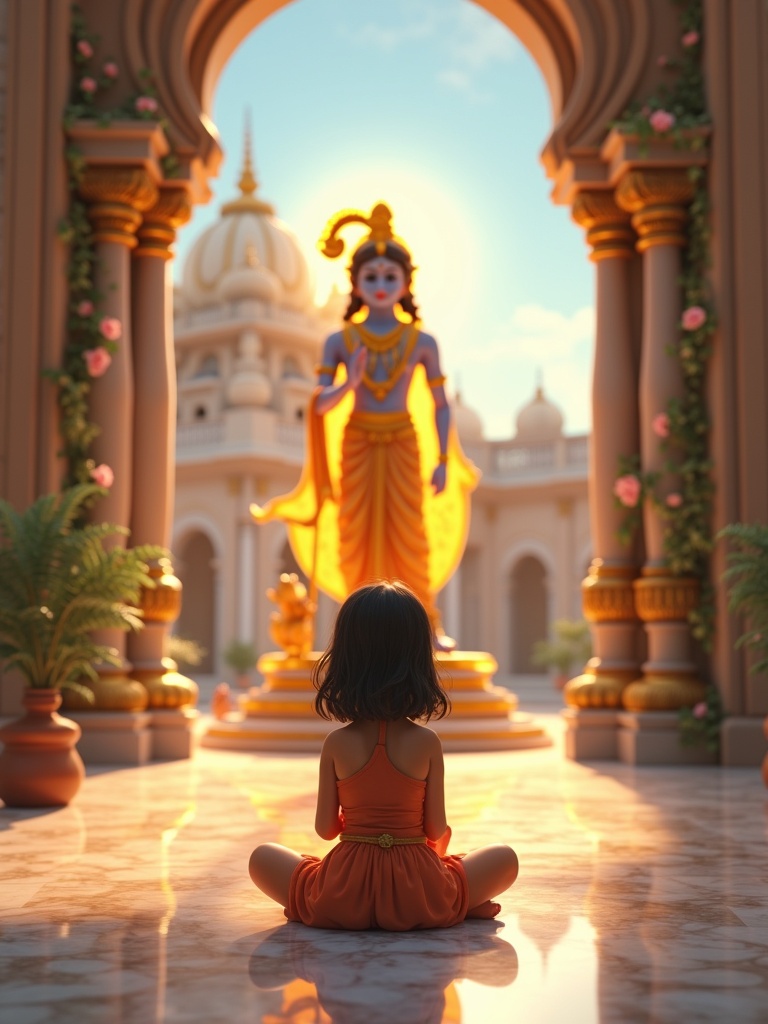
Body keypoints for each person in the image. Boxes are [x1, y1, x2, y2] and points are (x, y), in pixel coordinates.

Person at [251, 203, 478, 650]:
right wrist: (349, 383)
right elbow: (319, 404)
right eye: (370, 277)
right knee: (355, 533)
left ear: (406, 282)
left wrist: (444, 460)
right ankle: (355, 632)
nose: (380, 286)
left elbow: (439, 404)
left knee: (409, 533)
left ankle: (425, 625)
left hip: (403, 442)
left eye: (389, 277)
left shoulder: (421, 342)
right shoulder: (338, 341)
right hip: (355, 442)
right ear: (354, 283)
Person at [248, 581, 519, 930]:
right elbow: (435, 827)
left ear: (345, 660)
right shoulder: (427, 743)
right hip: (420, 894)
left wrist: (364, 826)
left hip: (341, 894)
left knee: (262, 858)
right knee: (503, 859)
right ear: (419, 661)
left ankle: (330, 906)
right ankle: (459, 903)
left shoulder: (336, 743)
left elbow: (325, 830)